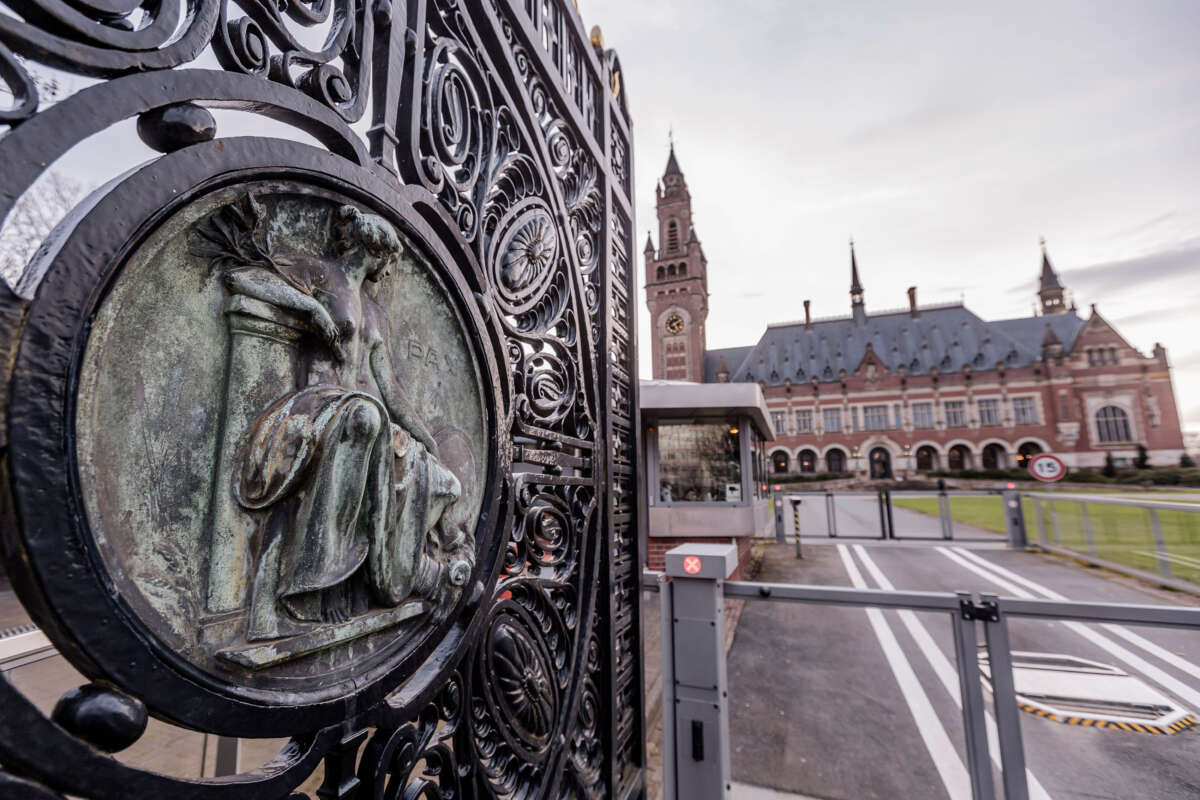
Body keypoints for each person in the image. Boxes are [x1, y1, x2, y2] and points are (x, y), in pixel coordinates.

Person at [206, 199, 473, 637]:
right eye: (387, 260)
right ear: (376, 251)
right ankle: (315, 585)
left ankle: (395, 576)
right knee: (365, 418)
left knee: (436, 476)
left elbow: (390, 388)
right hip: (315, 404)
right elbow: (242, 276)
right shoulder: (319, 273)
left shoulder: (374, 312)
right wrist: (309, 307)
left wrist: (427, 441)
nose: (386, 271)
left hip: (361, 413)